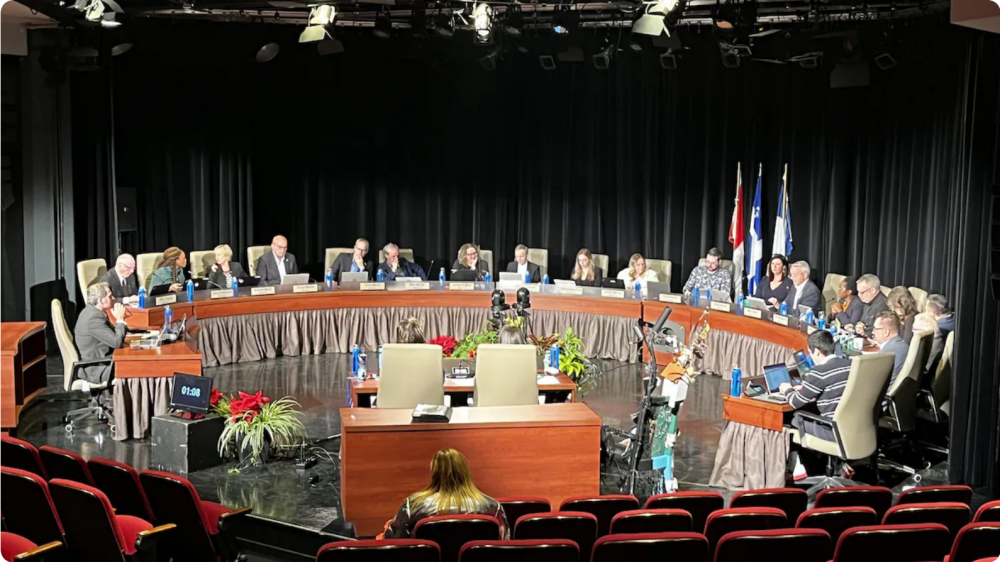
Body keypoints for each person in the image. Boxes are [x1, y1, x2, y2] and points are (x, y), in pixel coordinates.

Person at [383, 449, 509, 539]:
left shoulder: (413, 505)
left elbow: (394, 543)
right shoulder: (493, 507)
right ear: (465, 471)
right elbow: (503, 544)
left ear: (434, 473)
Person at [779, 330, 853, 450]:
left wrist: (786, 389)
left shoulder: (819, 372)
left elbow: (795, 402)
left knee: (792, 419)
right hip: (855, 427)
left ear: (817, 352)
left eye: (810, 353)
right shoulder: (851, 364)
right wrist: (808, 389)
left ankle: (806, 462)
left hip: (833, 430)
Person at [73, 283, 127, 390]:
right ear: (101, 301)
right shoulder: (93, 318)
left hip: (103, 360)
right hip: (98, 368)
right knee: (137, 367)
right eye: (110, 296)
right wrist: (120, 320)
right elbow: (116, 342)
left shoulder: (91, 312)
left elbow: (111, 334)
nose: (113, 298)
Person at [872, 310, 909, 399]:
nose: (872, 332)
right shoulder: (903, 345)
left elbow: (873, 382)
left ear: (886, 332)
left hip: (883, 399)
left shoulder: (887, 354)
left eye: (876, 329)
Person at [924, 294, 954, 373]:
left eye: (926, 309)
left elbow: (933, 355)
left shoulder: (939, 328)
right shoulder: (953, 318)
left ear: (932, 312)